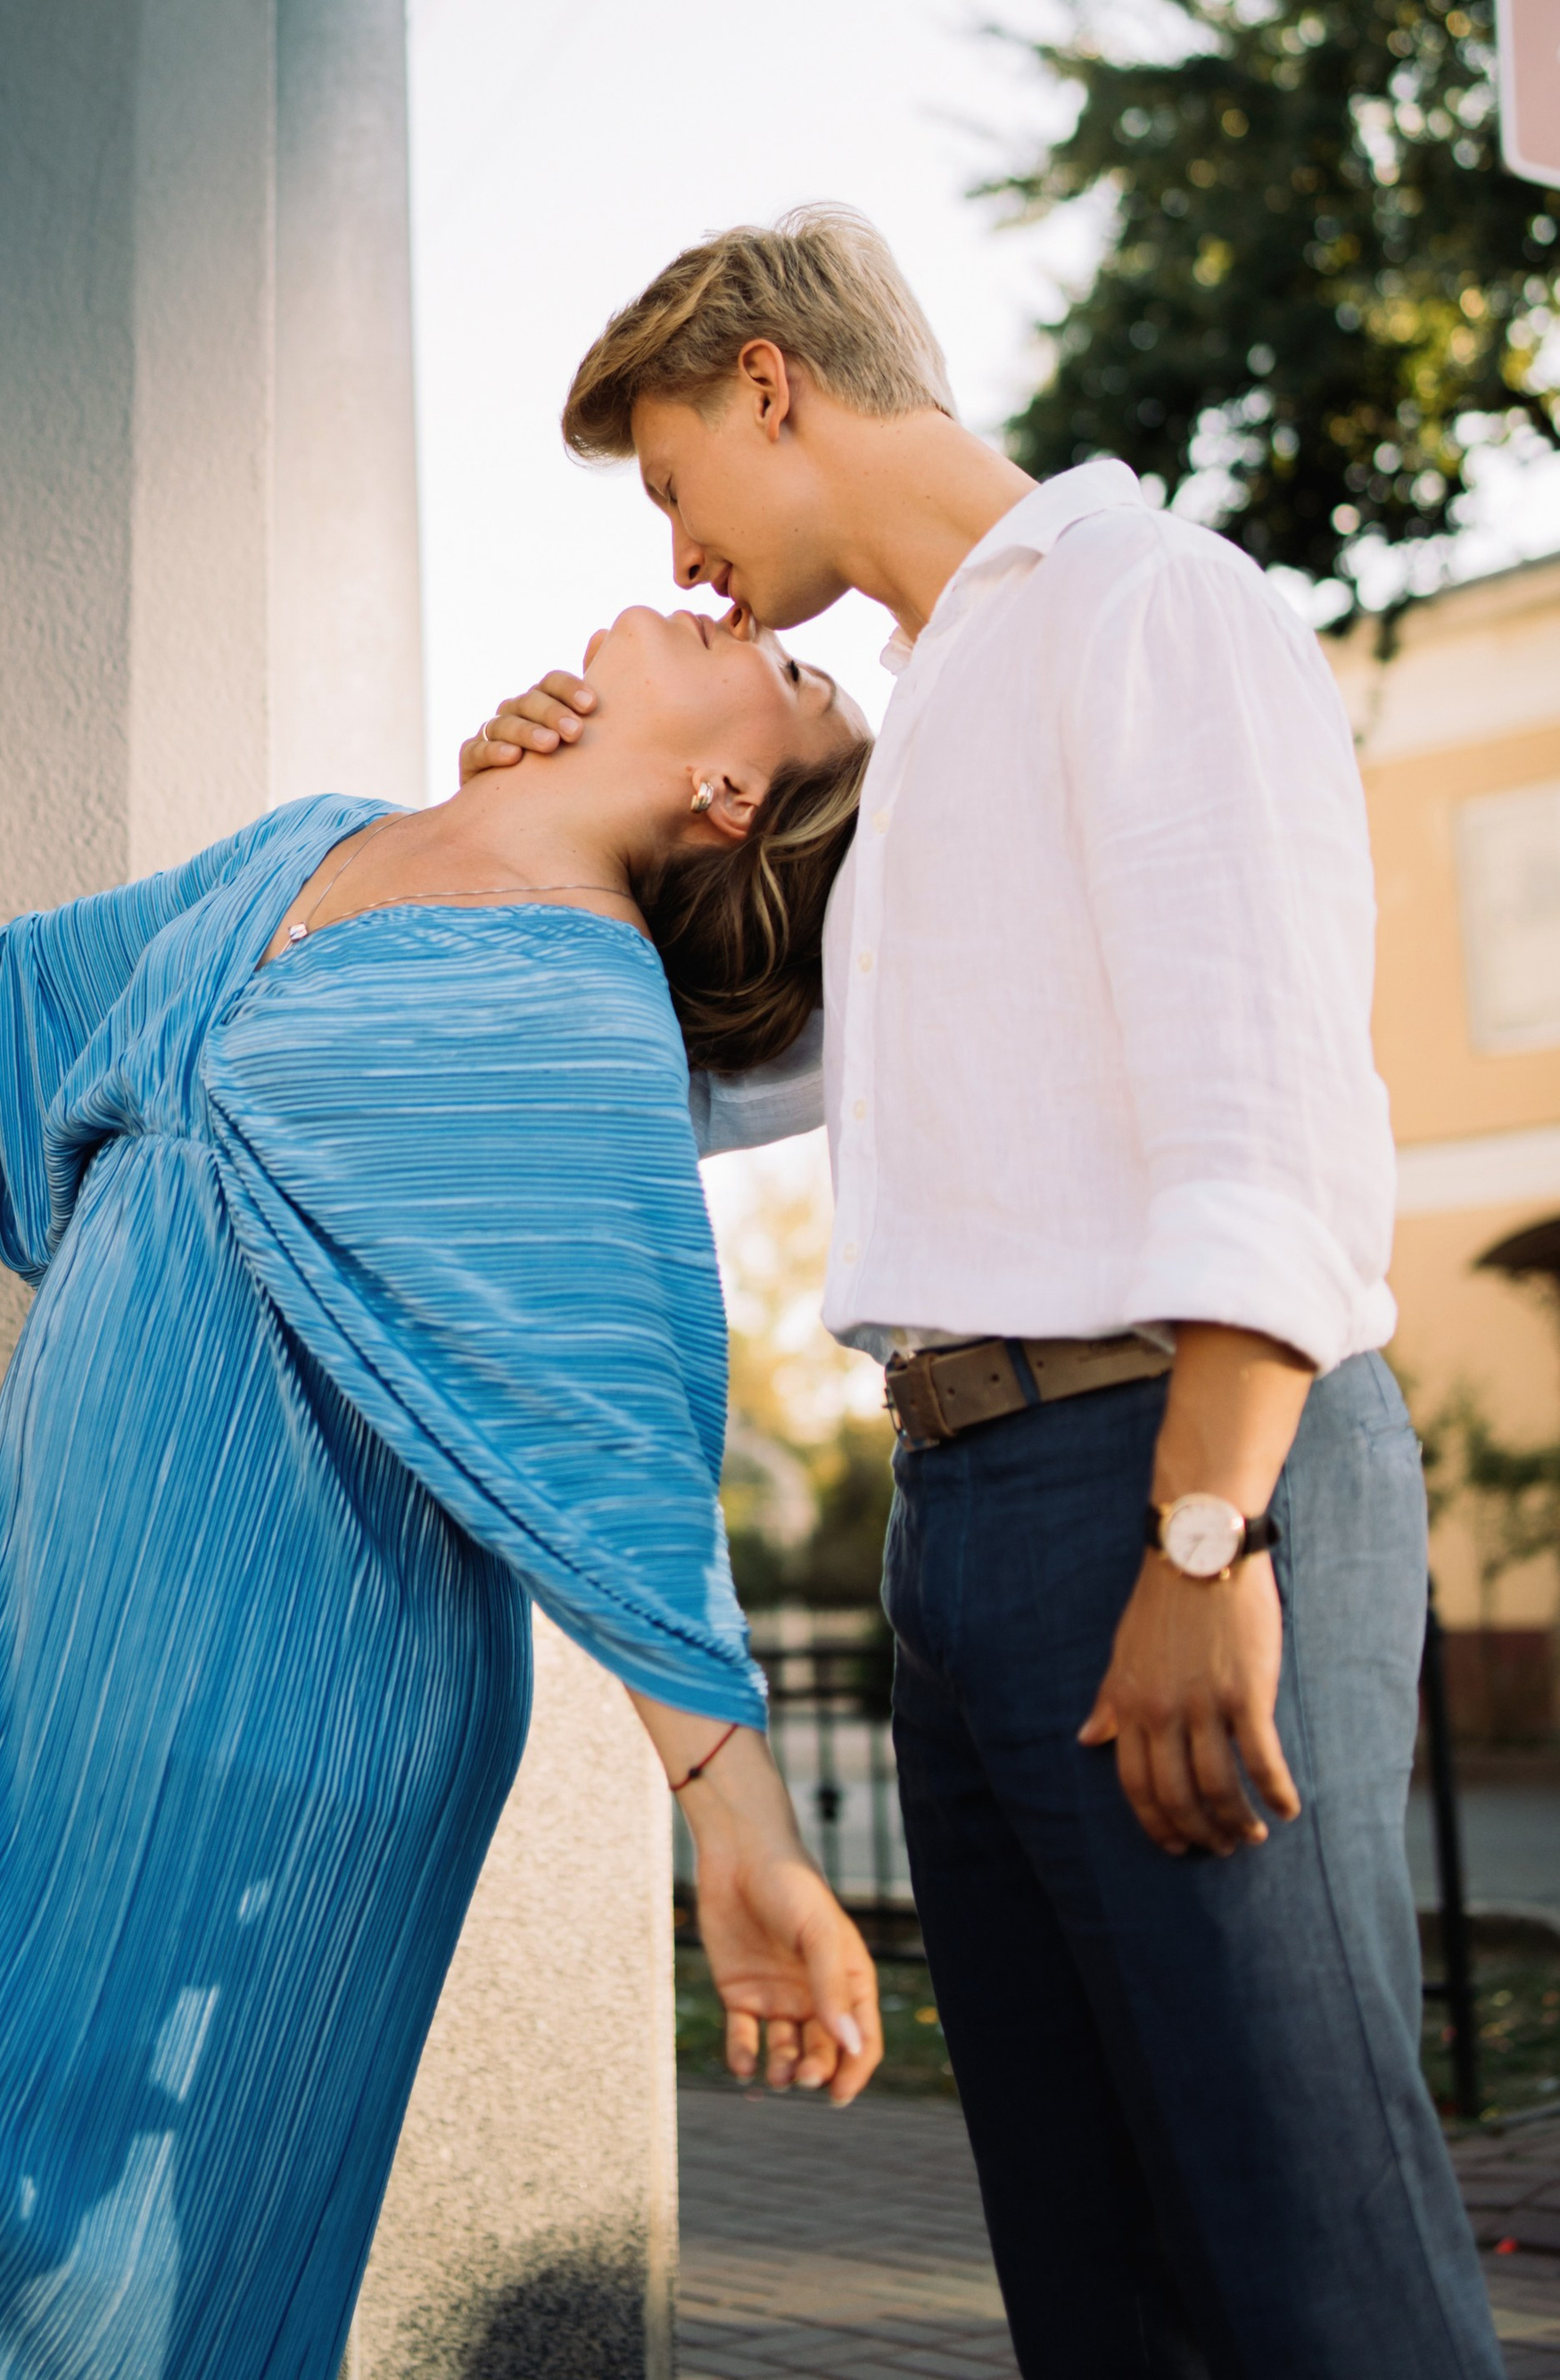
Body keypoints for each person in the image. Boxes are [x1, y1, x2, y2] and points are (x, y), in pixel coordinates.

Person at [0, 602, 882, 2380]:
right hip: (47, 1675)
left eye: (789, 670)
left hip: (286, 1708)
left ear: (727, 788)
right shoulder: (321, 841)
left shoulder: (572, 1006)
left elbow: (615, 1440)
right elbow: (21, 976)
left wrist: (739, 1837)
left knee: (126, 2279)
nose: (738, 613)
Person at [466, 205, 1506, 2380]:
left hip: (1169, 1468)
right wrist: (546, 826)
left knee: (1299, 2248)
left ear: (765, 380)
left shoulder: (1142, 600)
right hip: (961, 1521)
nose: (679, 560)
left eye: (667, 482)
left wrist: (1205, 1532)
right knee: (1088, 2267)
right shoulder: (912, 732)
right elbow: (690, 1093)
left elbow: (1265, 1092)